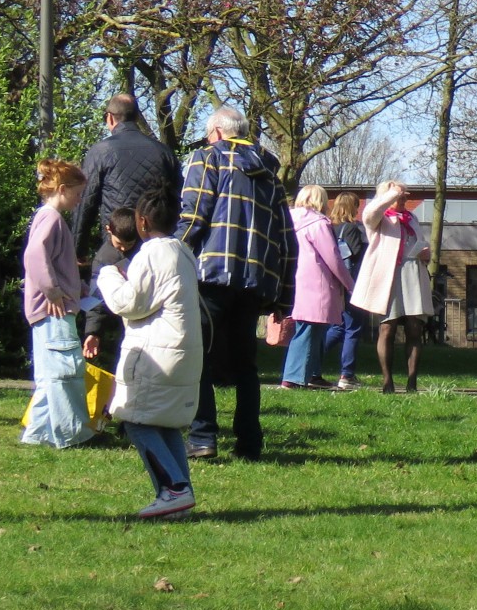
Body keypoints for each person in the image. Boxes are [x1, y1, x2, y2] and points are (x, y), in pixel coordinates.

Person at [176, 108, 293, 460]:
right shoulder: (271, 176)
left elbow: (194, 215)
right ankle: (249, 443)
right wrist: (283, 298)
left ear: (217, 132)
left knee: (200, 359)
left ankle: (202, 438)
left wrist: (168, 252)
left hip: (211, 274)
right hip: (254, 282)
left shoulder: (206, 158)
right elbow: (286, 240)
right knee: (245, 365)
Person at [97, 191, 204, 519]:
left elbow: (130, 303)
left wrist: (108, 276)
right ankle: (179, 493)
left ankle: (173, 489)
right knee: (165, 423)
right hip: (184, 352)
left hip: (158, 355)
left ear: (142, 222)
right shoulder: (183, 251)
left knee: (135, 419)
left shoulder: (152, 254)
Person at [73, 93, 182, 364]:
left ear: (110, 118)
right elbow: (176, 201)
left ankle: (106, 376)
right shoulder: (163, 152)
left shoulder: (101, 151)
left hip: (114, 241)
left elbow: (85, 203)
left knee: (104, 304)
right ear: (136, 117)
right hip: (152, 244)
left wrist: (77, 250)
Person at [19, 159, 96, 449]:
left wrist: (78, 286)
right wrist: (52, 291)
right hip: (55, 310)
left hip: (53, 307)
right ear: (62, 189)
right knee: (65, 372)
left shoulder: (46, 217)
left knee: (49, 374)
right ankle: (72, 432)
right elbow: (35, 256)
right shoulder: (52, 218)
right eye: (77, 194)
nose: (79, 200)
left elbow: (53, 261)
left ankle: (38, 433)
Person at [349, 180, 433, 395]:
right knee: (388, 327)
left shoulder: (411, 218)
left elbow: (420, 243)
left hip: (413, 275)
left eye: (405, 196)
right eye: (400, 196)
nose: (404, 199)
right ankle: (388, 381)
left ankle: (412, 382)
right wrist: (392, 193)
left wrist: (425, 254)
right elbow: (369, 212)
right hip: (389, 278)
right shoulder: (379, 220)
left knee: (415, 328)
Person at [279, 185, 354, 391]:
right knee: (309, 330)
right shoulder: (318, 224)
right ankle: (293, 378)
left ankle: (313, 373)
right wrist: (349, 284)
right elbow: (333, 256)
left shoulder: (286, 220)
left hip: (294, 281)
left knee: (314, 330)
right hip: (317, 283)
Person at [322, 192, 368, 388]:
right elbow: (357, 255)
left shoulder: (329, 228)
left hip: (334, 285)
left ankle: (311, 363)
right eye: (356, 206)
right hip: (352, 285)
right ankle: (347, 375)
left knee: (337, 327)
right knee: (353, 328)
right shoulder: (351, 228)